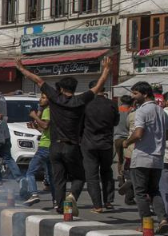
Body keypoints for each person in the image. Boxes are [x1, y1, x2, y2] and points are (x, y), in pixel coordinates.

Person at [16, 57, 112, 213]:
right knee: (79, 177)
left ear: (61, 88)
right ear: (74, 89)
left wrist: (21, 68)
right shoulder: (80, 100)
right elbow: (98, 87)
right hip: (72, 146)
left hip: (55, 146)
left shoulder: (55, 98)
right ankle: (72, 196)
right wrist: (106, 69)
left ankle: (60, 207)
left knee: (58, 179)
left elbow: (38, 80)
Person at [123, 82, 168, 234]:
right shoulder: (161, 111)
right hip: (158, 158)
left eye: (135, 94)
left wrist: (127, 142)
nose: (132, 97)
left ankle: (146, 224)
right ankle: (162, 219)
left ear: (144, 94)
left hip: (142, 157)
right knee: (154, 190)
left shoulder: (142, 111)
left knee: (140, 193)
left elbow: (138, 133)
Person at [82, 80, 119, 213]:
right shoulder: (112, 104)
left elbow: (80, 124)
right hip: (106, 143)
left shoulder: (85, 104)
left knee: (92, 176)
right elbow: (116, 121)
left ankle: (97, 205)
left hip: (89, 143)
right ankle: (108, 201)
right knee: (107, 171)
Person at [23, 93, 54, 206]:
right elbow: (45, 129)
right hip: (52, 145)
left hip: (45, 146)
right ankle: (56, 201)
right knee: (50, 175)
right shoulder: (55, 110)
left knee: (30, 172)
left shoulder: (47, 110)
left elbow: (45, 126)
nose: (41, 99)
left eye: (44, 97)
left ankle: (34, 194)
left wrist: (35, 116)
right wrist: (35, 126)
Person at [114, 95, 134, 187]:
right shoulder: (132, 111)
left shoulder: (116, 110)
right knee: (129, 159)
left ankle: (120, 176)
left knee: (120, 159)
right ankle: (127, 177)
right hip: (129, 139)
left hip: (117, 137)